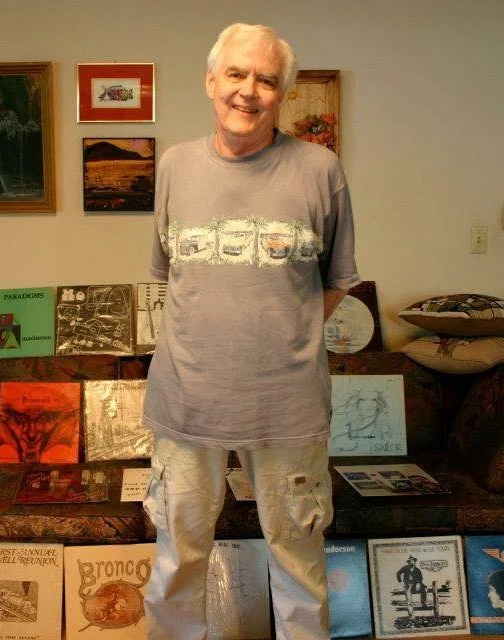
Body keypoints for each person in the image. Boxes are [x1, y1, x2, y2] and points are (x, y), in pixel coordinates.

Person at [141, 22, 360, 640]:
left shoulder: (320, 169)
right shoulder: (175, 166)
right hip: (186, 402)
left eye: (266, 79)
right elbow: (169, 273)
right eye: (236, 74)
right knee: (177, 559)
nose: (248, 90)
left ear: (282, 93)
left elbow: (337, 281)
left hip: (287, 405)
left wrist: (283, 339)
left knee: (298, 562)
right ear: (211, 81)